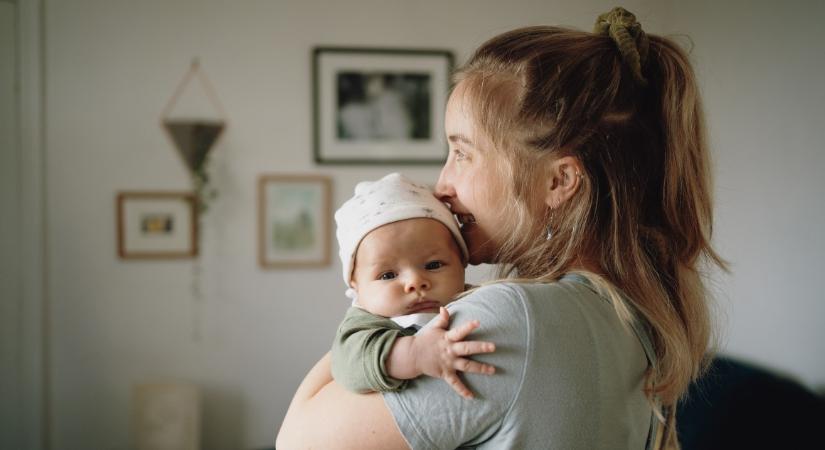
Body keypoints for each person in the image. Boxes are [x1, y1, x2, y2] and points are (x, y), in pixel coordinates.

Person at [277, 7, 726, 449]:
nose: (443, 184)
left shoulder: (514, 319)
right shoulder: (631, 314)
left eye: (463, 152)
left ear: (558, 181)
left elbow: (295, 440)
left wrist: (369, 301)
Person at [331, 173, 495, 398]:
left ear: (461, 262)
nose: (415, 282)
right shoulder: (364, 324)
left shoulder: (478, 300)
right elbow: (347, 367)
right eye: (388, 275)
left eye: (434, 264)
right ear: (356, 284)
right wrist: (415, 354)